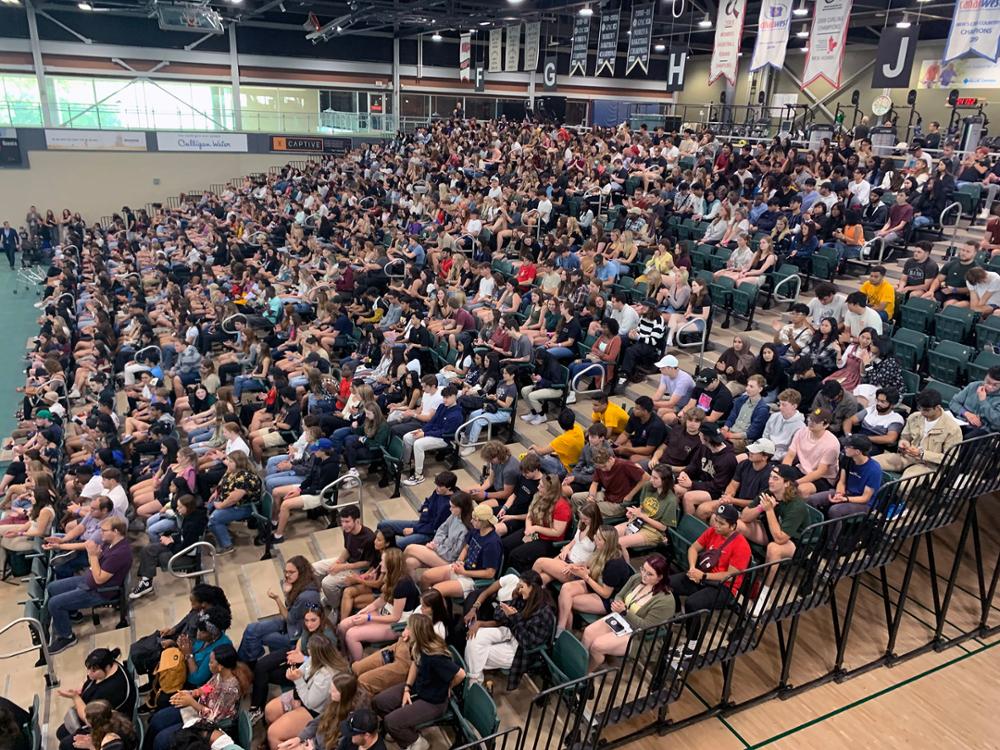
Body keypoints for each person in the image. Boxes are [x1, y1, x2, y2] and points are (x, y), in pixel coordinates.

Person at [667, 504, 752, 662]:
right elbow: (693, 548)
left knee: (693, 604)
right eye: (716, 521)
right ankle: (678, 612)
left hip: (725, 587)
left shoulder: (741, 546)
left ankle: (691, 646)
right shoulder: (712, 531)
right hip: (702, 575)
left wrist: (703, 576)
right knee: (668, 583)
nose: (716, 526)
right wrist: (692, 569)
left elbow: (730, 575)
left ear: (733, 526)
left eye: (721, 523)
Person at [372, 614, 466, 750]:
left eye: (408, 627)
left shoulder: (435, 656)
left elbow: (461, 674)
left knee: (391, 722)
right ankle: (400, 730)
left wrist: (449, 686)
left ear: (416, 632)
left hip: (434, 701)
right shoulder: (417, 645)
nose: (406, 629)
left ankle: (417, 742)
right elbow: (415, 664)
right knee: (379, 702)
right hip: (420, 687)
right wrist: (407, 688)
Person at [46, 515, 133, 654]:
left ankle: (67, 637)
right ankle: (72, 614)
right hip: (89, 580)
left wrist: (92, 556)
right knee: (52, 588)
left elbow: (99, 579)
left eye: (104, 530)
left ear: (115, 531)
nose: (101, 533)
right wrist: (94, 556)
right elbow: (97, 564)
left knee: (54, 604)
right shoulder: (110, 543)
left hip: (100, 591)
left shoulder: (120, 553)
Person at [463, 570, 556, 690]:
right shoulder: (523, 597)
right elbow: (498, 613)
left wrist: (513, 617)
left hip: (520, 650)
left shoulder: (545, 613)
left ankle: (473, 684)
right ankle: (475, 682)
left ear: (532, 587)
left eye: (522, 586)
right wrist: (509, 610)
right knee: (474, 637)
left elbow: (527, 643)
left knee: (475, 652)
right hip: (510, 631)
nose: (519, 588)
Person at [146, 643, 249, 750]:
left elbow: (212, 717)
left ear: (220, 666)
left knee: (161, 740)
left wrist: (191, 702)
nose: (208, 664)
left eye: (211, 662)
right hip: (198, 709)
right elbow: (207, 687)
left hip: (209, 725)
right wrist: (191, 693)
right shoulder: (220, 674)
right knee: (157, 719)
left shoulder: (230, 690)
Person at [739, 464, 811, 613]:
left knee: (773, 549)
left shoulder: (797, 506)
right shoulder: (768, 493)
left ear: (786, 483)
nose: (770, 481)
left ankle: (764, 595)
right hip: (771, 531)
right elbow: (745, 516)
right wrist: (760, 508)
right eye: (770, 477)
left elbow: (780, 539)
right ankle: (738, 569)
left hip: (796, 543)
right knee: (738, 525)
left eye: (775, 478)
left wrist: (769, 510)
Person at [581, 554, 675, 667]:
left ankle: (585, 676)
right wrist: (618, 605)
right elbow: (619, 596)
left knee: (597, 646)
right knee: (588, 633)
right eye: (643, 570)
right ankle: (579, 666)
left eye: (649, 574)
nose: (644, 575)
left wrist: (625, 612)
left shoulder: (665, 601)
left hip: (640, 636)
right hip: (621, 619)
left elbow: (647, 626)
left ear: (660, 577)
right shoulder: (636, 578)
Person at [337, 548, 420, 661]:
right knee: (343, 625)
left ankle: (356, 665)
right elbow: (382, 599)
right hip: (383, 613)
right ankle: (345, 653)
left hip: (396, 624)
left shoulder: (403, 584)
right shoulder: (390, 576)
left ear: (390, 564)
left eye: (382, 561)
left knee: (351, 635)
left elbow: (395, 617)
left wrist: (369, 617)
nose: (380, 563)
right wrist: (367, 609)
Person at [263, 636, 345, 750]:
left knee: (273, 733)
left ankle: (279, 743)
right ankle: (281, 738)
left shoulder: (327, 675)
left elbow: (310, 703)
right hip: (302, 693)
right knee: (269, 710)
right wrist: (295, 675)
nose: (308, 655)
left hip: (314, 710)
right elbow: (302, 670)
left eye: (310, 652)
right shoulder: (314, 659)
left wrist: (296, 679)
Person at [238, 555, 321, 663]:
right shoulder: (299, 585)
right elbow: (290, 610)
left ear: (301, 572)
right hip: (290, 624)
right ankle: (243, 662)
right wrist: (288, 593)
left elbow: (289, 617)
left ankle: (246, 664)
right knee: (251, 629)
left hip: (296, 633)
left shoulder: (306, 596)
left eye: (291, 572)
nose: (287, 575)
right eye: (286, 571)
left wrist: (278, 598)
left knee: (259, 637)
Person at [554, 526, 634, 636]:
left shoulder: (615, 565)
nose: (595, 538)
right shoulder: (600, 549)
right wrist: (575, 566)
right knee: (565, 590)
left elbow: (606, 594)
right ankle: (562, 629)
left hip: (607, 599)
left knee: (566, 600)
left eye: (599, 538)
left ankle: (563, 632)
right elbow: (587, 564)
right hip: (594, 582)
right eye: (596, 535)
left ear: (607, 543)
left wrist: (585, 577)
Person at [55, 648, 137, 750]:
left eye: (93, 670)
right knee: (62, 732)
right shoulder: (112, 666)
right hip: (105, 721)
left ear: (106, 667)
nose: (89, 674)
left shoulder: (112, 691)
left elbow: (86, 717)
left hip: (106, 726)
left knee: (66, 744)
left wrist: (75, 697)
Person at [130, 494, 208, 600]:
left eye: (180, 507)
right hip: (180, 545)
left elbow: (185, 548)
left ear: (188, 508)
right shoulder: (191, 516)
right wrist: (172, 539)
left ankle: (146, 582)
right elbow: (183, 536)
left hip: (185, 554)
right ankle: (146, 581)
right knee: (148, 550)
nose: (177, 508)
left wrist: (170, 543)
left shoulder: (193, 524)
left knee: (153, 555)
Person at [876, 389, 963, 479]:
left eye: (926, 410)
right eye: (920, 408)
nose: (922, 412)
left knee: (903, 486)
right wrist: (903, 442)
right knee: (870, 463)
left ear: (937, 407)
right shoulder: (915, 417)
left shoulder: (952, 429)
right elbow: (905, 437)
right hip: (907, 456)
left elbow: (951, 459)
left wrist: (922, 454)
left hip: (928, 465)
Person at [421, 503, 503, 598]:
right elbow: (466, 547)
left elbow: (490, 573)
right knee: (426, 576)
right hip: (463, 567)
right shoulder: (477, 530)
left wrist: (464, 572)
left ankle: (436, 609)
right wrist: (459, 561)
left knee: (436, 592)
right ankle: (425, 605)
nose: (471, 521)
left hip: (474, 579)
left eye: (474, 520)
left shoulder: (492, 544)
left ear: (484, 522)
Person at [313, 505, 378, 616]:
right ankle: (327, 597)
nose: (344, 525)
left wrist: (342, 567)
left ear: (357, 521)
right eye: (342, 521)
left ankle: (335, 606)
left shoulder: (369, 538)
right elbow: (347, 549)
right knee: (314, 568)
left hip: (360, 568)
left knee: (327, 583)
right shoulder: (347, 531)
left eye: (347, 521)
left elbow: (368, 562)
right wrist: (337, 562)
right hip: (348, 561)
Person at [806, 435, 883, 520]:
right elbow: (842, 482)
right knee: (812, 500)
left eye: (848, 446)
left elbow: (865, 498)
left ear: (857, 452)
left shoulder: (874, 469)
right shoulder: (847, 459)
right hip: (846, 493)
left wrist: (845, 499)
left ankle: (832, 533)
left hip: (864, 504)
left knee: (835, 510)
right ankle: (814, 528)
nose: (845, 448)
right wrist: (839, 494)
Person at [401, 384, 464, 486]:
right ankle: (406, 464)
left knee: (418, 444)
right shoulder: (442, 406)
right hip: (433, 432)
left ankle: (418, 475)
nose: (444, 400)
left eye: (447, 398)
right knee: (407, 437)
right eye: (443, 397)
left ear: (454, 396)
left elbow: (444, 432)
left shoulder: (457, 415)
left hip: (444, 438)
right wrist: (422, 430)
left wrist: (425, 433)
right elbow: (432, 422)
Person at [377, 471, 456, 549]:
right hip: (421, 524)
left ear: (449, 487)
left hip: (428, 533)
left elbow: (435, 528)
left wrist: (414, 530)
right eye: (437, 485)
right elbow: (427, 502)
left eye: (440, 486)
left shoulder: (449, 505)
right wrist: (425, 509)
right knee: (383, 524)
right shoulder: (438, 492)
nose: (437, 488)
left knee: (397, 544)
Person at [570, 446, 648, 523]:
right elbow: (594, 483)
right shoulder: (599, 467)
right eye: (600, 467)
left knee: (591, 509)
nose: (603, 469)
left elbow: (646, 477)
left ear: (611, 459)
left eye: (604, 466)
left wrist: (629, 495)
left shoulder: (624, 465)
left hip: (619, 502)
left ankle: (587, 527)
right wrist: (591, 496)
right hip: (607, 495)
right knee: (575, 498)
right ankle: (578, 522)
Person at [205, 451, 262, 555]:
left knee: (214, 519)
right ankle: (220, 530)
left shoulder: (245, 478)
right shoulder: (232, 469)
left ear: (238, 463)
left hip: (243, 507)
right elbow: (223, 480)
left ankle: (226, 546)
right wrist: (217, 491)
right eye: (228, 460)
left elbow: (233, 499)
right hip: (229, 502)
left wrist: (220, 505)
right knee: (206, 508)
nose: (227, 463)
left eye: (230, 461)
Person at [532, 502, 602, 585]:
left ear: (594, 518)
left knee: (539, 562)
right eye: (582, 518)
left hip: (575, 567)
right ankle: (530, 592)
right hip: (566, 557)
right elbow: (574, 541)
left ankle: (525, 586)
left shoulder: (599, 534)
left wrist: (574, 565)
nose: (582, 520)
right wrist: (566, 549)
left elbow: (595, 560)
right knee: (542, 578)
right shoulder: (583, 524)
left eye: (585, 519)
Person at [614, 465, 678, 553]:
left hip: (653, 531)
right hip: (638, 522)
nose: (651, 480)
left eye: (655, 478)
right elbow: (642, 507)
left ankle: (622, 566)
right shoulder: (648, 486)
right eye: (652, 476)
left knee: (619, 543)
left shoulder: (671, 500)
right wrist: (633, 513)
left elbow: (663, 527)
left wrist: (643, 516)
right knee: (608, 535)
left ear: (665, 481)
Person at [674, 422, 738, 508]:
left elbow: (718, 486)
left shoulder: (728, 459)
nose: (699, 435)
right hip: (701, 482)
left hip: (716, 492)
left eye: (701, 434)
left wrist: (692, 484)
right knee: (675, 488)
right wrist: (685, 473)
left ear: (706, 438)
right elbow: (694, 465)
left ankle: (689, 521)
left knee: (689, 497)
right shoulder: (704, 446)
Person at [783, 408, 841, 496]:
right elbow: (790, 455)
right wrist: (783, 473)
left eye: (816, 421)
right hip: (801, 469)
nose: (811, 423)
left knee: (802, 489)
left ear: (825, 425)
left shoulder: (832, 444)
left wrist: (796, 482)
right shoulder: (801, 432)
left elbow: (820, 472)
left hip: (822, 478)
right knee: (776, 477)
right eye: (810, 419)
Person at [842, 387, 904, 455]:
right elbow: (849, 420)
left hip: (874, 445)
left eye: (882, 402)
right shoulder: (872, 409)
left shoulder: (896, 418)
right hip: (857, 438)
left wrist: (865, 438)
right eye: (878, 400)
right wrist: (848, 435)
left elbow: (890, 439)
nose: (878, 403)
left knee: (850, 454)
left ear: (892, 405)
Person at [720, 374, 769, 452]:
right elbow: (732, 417)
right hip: (730, 432)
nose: (747, 389)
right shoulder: (741, 400)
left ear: (760, 389)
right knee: (709, 437)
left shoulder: (762, 409)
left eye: (751, 387)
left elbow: (752, 433)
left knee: (721, 445)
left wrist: (730, 435)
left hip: (744, 440)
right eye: (747, 385)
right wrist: (725, 428)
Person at [947, 365, 1000, 435]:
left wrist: (983, 401)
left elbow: (997, 422)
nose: (989, 387)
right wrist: (966, 413)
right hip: (961, 421)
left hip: (981, 429)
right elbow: (953, 403)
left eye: (995, 385)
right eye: (988, 382)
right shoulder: (973, 386)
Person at [613, 396, 667, 463]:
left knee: (633, 459)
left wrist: (627, 449)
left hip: (650, 451)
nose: (633, 409)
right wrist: (616, 444)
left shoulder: (656, 426)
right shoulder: (635, 416)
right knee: (618, 448)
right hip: (636, 442)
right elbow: (626, 434)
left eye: (637, 409)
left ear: (645, 411)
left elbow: (648, 450)